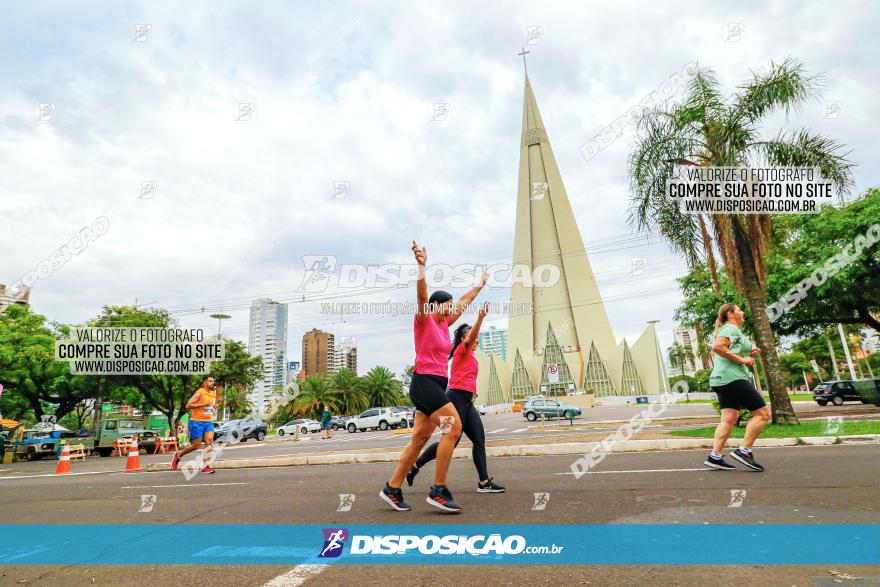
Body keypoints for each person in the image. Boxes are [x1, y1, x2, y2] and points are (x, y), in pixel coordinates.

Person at [379, 241, 486, 513]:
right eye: (447, 306)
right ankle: (439, 490)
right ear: (436, 306)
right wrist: (422, 265)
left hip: (435, 384)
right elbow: (421, 297)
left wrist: (480, 286)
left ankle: (392, 488)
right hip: (424, 383)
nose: (451, 310)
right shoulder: (425, 319)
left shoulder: (444, 326)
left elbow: (465, 302)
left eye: (451, 308)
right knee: (453, 428)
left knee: (419, 440)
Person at [406, 301, 505, 493]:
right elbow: (471, 338)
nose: (477, 340)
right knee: (450, 440)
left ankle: (484, 482)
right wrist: (480, 318)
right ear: (463, 338)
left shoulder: (472, 356)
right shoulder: (462, 350)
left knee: (479, 441)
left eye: (477, 338)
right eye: (473, 337)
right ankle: (415, 467)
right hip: (453, 398)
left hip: (468, 403)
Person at [703, 303, 771, 472]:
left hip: (720, 379)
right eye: (739, 309)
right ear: (731, 314)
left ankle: (715, 456)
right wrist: (743, 360)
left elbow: (729, 349)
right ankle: (744, 451)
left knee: (729, 418)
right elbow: (717, 347)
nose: (742, 312)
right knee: (763, 414)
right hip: (732, 378)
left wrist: (748, 353)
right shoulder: (730, 329)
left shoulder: (733, 331)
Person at [171, 375, 218, 474]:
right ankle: (179, 455)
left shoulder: (213, 393)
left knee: (209, 441)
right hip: (196, 421)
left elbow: (210, 406)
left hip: (208, 421)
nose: (212, 383)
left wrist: (213, 408)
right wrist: (203, 405)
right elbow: (188, 405)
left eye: (213, 381)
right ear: (205, 382)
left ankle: (205, 466)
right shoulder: (199, 392)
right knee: (196, 445)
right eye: (210, 381)